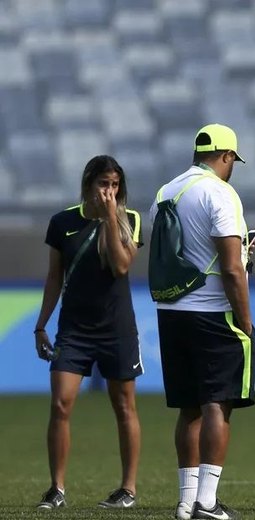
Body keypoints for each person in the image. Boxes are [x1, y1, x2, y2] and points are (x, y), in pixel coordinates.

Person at [150, 123, 255, 520]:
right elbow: (231, 268)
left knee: (189, 407)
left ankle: (185, 501)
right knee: (217, 405)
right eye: (233, 161)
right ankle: (207, 503)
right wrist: (245, 318)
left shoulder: (166, 191)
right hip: (213, 311)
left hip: (171, 312)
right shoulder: (220, 193)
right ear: (226, 156)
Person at [33, 155, 143, 510]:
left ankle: (127, 488)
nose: (108, 192)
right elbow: (54, 277)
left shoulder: (130, 220)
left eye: (114, 186)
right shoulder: (62, 222)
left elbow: (121, 265)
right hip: (74, 330)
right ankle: (57, 488)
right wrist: (40, 324)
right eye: (102, 184)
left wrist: (111, 217)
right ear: (88, 184)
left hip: (117, 329)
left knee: (124, 406)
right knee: (60, 403)